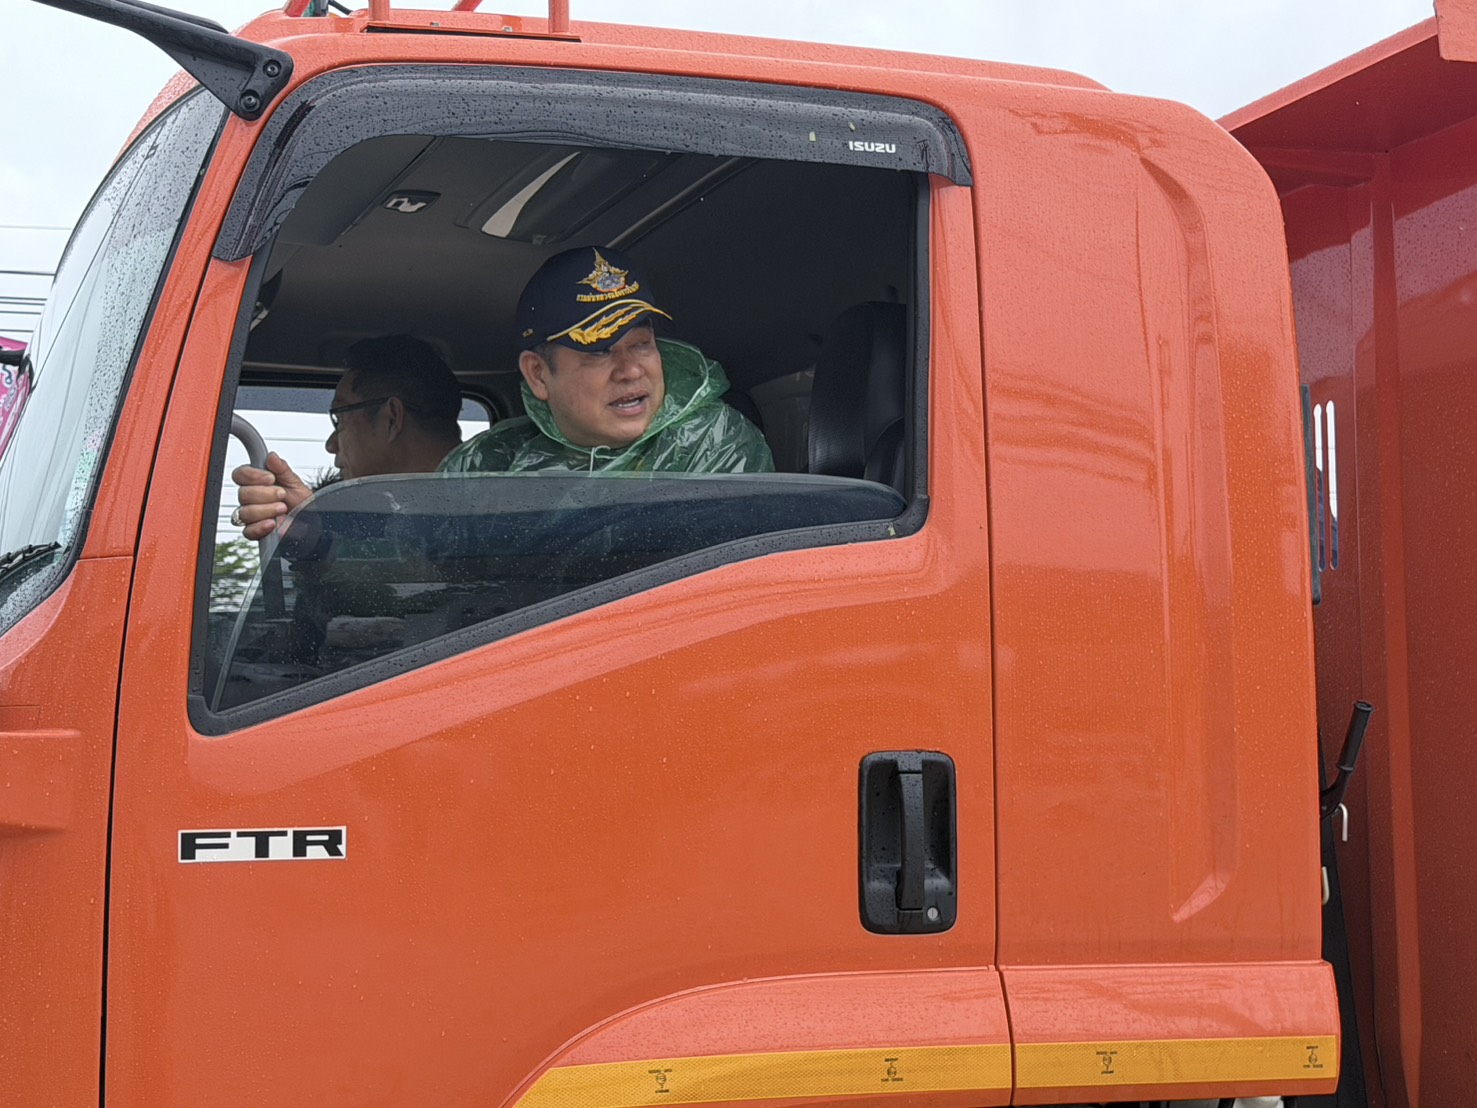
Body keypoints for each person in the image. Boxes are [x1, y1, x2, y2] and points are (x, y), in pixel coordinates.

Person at [440, 245, 773, 475]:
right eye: (599, 350)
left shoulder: (713, 442)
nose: (630, 370)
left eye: (642, 344)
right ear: (539, 375)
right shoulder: (488, 468)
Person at [232, 334, 464, 540]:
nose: (330, 445)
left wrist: (320, 540)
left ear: (392, 419)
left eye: (340, 418)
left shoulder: (480, 518)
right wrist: (311, 530)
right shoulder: (472, 507)